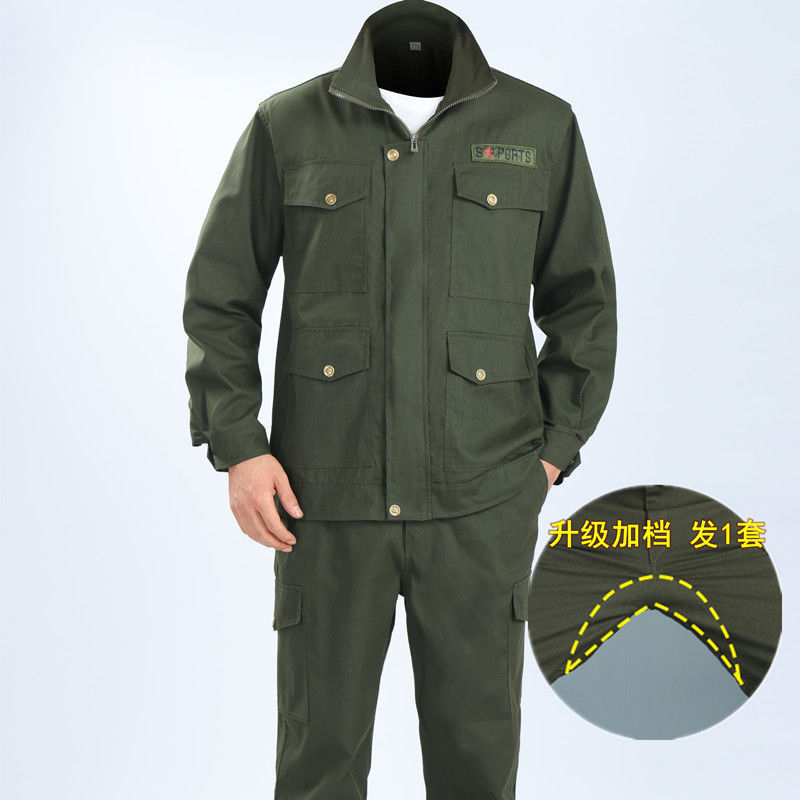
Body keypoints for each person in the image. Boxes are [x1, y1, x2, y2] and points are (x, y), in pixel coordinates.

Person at [182, 1, 617, 797]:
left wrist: (554, 450)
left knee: (477, 761)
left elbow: (583, 303)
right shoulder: (289, 124)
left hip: (483, 501)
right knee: (318, 762)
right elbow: (220, 295)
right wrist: (239, 445)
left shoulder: (540, 126)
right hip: (324, 501)